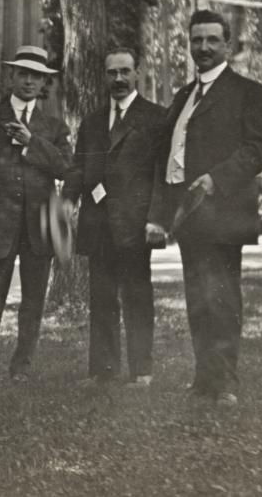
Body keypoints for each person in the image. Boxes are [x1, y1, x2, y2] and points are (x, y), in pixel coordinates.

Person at [155, 10, 262, 407]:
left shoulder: (247, 92)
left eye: (212, 40)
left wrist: (217, 178)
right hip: (189, 216)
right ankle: (203, 379)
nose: (204, 47)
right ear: (189, 45)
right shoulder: (183, 97)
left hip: (223, 214)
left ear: (227, 44)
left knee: (221, 299)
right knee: (198, 300)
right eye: (197, 40)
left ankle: (225, 383)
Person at [0, 44, 74, 386]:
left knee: (33, 303)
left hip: (39, 227)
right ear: (11, 76)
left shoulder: (52, 126)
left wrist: (30, 141)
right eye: (22, 73)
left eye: (35, 76)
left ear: (43, 83)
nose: (28, 81)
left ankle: (21, 367)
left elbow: (67, 168)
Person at [63, 46, 169, 386]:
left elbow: (162, 173)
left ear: (138, 72)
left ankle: (142, 371)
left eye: (125, 71)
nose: (119, 79)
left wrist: (157, 219)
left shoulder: (155, 118)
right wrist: (67, 200)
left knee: (137, 296)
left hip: (136, 226)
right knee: (102, 297)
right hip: (97, 223)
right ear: (104, 76)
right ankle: (103, 371)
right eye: (112, 73)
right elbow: (79, 166)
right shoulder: (93, 121)